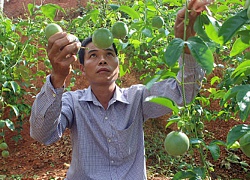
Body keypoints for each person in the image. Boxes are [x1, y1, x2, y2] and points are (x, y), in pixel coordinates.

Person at [30, 0, 212, 179]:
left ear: (118, 66)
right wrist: (58, 77)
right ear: (82, 68)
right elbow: (42, 134)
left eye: (109, 54)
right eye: (93, 55)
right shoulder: (72, 102)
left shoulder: (137, 98)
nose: (102, 60)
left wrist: (187, 46)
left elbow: (183, 92)